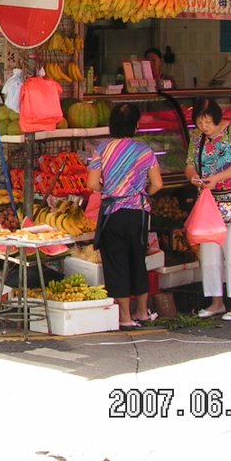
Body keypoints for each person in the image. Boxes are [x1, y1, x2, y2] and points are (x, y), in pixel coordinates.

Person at [86, 102, 163, 330]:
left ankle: (125, 317)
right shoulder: (145, 151)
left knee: (116, 263)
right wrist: (140, 194)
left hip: (113, 213)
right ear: (136, 125)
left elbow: (91, 183)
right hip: (138, 214)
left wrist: (111, 191)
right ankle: (142, 312)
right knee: (138, 260)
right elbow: (158, 184)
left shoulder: (101, 150)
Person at [184, 98, 231, 321]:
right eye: (200, 122)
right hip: (208, 202)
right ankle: (216, 301)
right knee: (210, 253)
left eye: (208, 122)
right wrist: (194, 177)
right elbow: (189, 164)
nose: (204, 127)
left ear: (217, 118)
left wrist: (218, 178)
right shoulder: (197, 137)